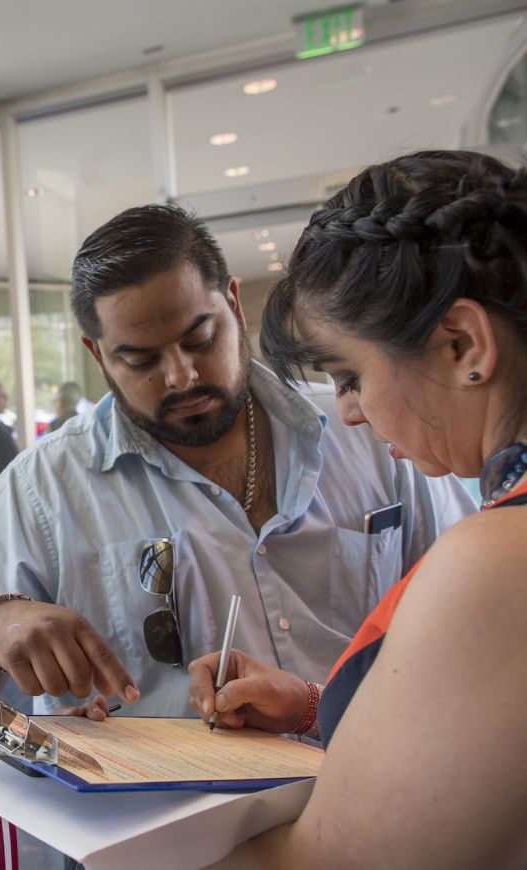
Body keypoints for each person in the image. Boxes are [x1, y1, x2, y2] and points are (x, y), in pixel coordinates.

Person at [0, 202, 475, 719]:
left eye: (200, 338)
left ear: (233, 303)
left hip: (383, 795)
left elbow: (472, 605)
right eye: (141, 360)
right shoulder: (46, 487)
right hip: (166, 821)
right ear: (98, 356)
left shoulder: (369, 428)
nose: (181, 375)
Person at [188, 150, 527, 866]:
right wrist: (322, 706)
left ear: (463, 345)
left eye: (351, 377)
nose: (348, 415)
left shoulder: (497, 558)